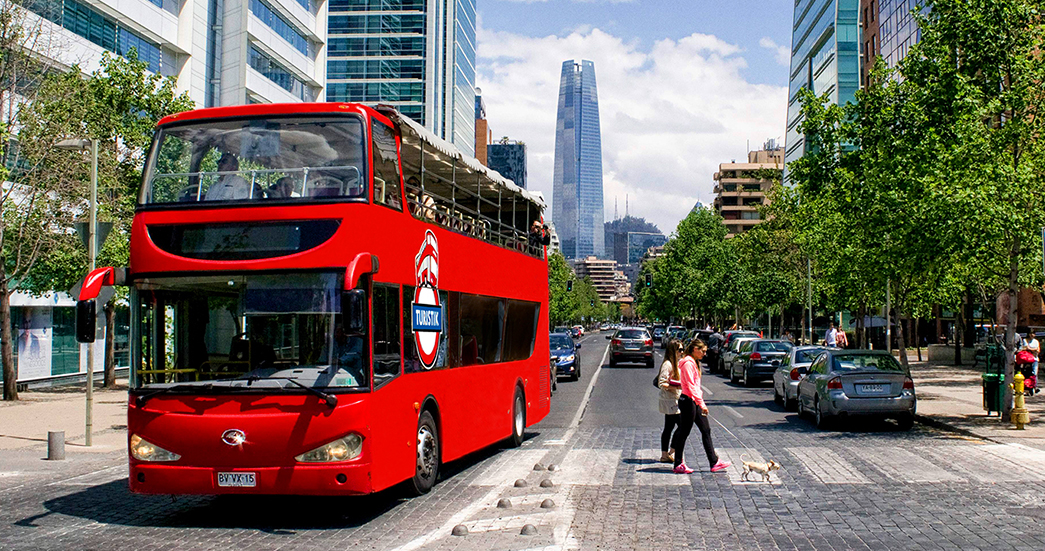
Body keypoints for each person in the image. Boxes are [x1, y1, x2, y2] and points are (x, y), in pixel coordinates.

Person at [670, 339, 731, 474]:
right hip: (688, 401)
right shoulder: (688, 364)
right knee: (684, 432)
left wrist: (699, 402)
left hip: (694, 401)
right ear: (695, 349)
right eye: (702, 351)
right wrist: (702, 404)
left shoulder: (694, 362)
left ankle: (714, 461)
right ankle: (678, 463)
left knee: (706, 429)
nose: (704, 354)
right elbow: (691, 386)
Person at [657, 339, 683, 463]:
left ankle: (664, 454)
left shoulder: (676, 363)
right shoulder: (667, 364)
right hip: (670, 400)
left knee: (668, 427)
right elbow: (662, 383)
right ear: (673, 351)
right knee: (683, 426)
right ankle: (671, 451)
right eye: (680, 350)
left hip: (674, 399)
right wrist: (677, 387)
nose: (682, 352)